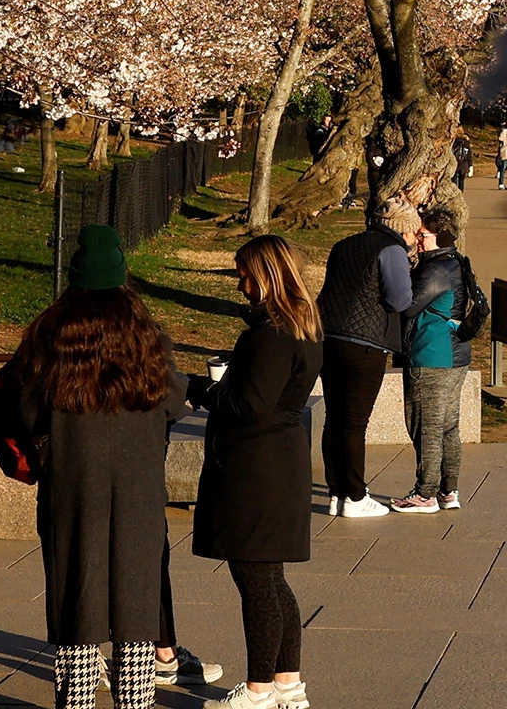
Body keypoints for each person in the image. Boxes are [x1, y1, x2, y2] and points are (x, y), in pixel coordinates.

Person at [3, 225, 187, 709]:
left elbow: (24, 409)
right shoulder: (147, 335)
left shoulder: (51, 335)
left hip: (72, 482)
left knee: (75, 597)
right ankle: (134, 701)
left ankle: (79, 700)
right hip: (139, 484)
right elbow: (172, 399)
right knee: (136, 601)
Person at [186, 236, 325, 709]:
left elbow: (250, 405)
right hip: (278, 461)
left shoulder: (270, 334)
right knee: (272, 577)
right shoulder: (301, 326)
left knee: (256, 579)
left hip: (256, 468)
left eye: (244, 274)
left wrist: (202, 390)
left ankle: (260, 690)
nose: (240, 283)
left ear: (266, 276)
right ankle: (287, 682)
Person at [316, 200, 417, 517]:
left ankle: (336, 492)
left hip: (328, 337)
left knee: (334, 418)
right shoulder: (393, 251)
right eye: (412, 228)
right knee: (354, 423)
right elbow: (400, 299)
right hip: (365, 344)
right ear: (400, 226)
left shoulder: (343, 244)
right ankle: (356, 497)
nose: (415, 235)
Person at [390, 209, 476, 513]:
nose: (418, 240)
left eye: (423, 235)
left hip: (432, 355)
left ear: (439, 237)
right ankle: (447, 491)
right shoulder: (454, 262)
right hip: (455, 355)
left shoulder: (435, 269)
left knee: (425, 425)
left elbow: (407, 306)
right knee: (448, 427)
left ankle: (425, 494)